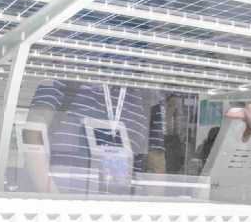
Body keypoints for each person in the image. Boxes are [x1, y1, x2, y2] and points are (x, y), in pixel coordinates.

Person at [25, 81, 165, 194]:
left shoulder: (148, 93)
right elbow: (33, 134)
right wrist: (54, 202)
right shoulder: (67, 72)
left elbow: (156, 161)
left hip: (123, 210)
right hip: (64, 204)